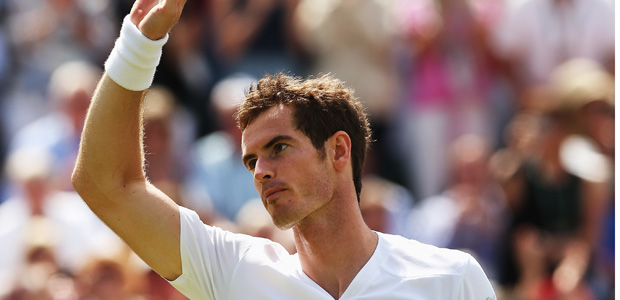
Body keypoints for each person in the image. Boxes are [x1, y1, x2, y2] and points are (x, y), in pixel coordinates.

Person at [71, 0, 497, 299]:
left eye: (278, 147)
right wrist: (138, 46)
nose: (260, 171)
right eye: (251, 160)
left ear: (338, 152)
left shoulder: (451, 279)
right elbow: (106, 183)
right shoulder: (234, 271)